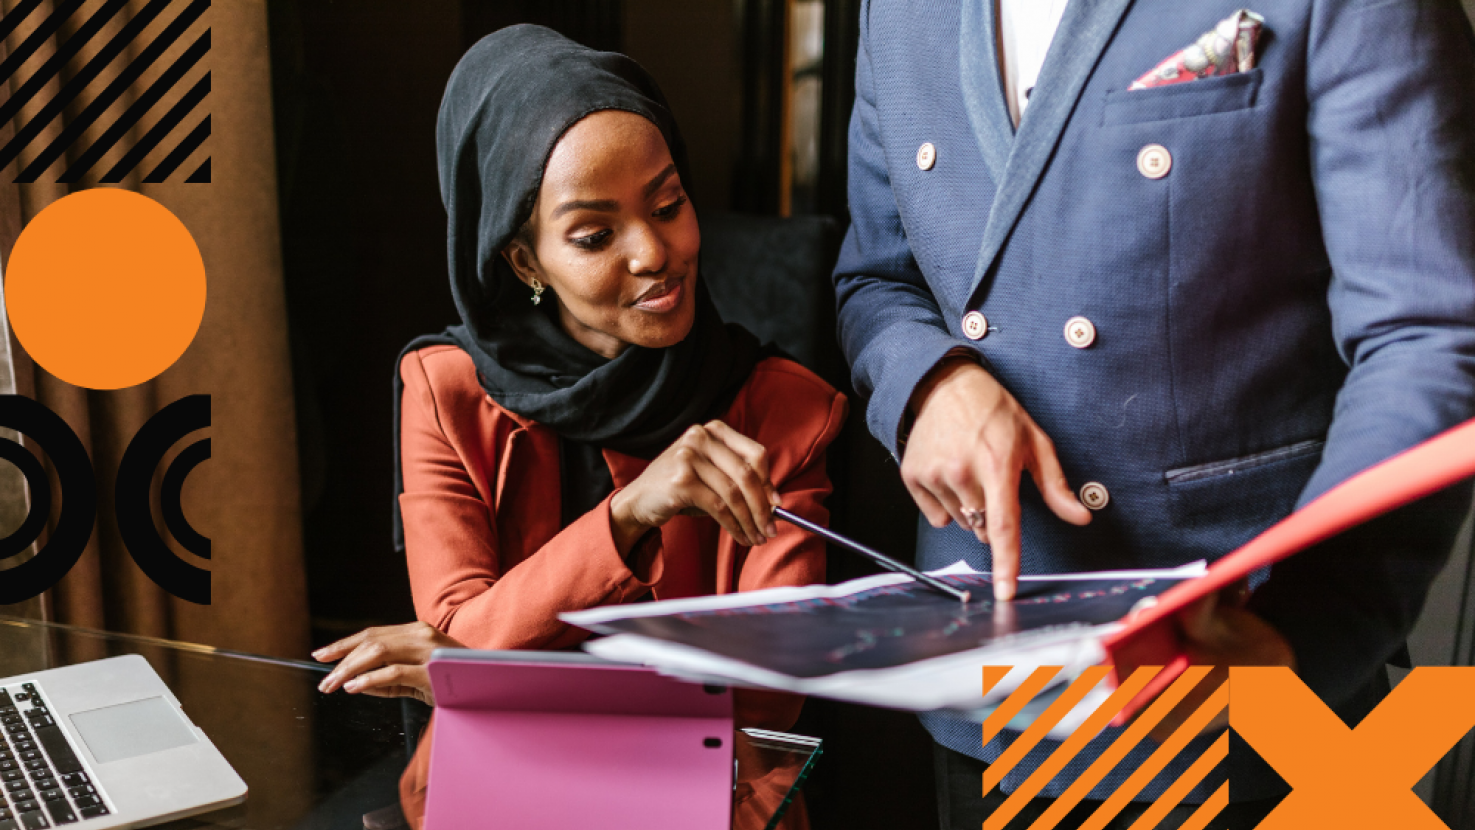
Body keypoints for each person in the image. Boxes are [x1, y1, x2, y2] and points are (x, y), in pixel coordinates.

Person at [832, 0, 1475, 827]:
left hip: (1261, 673)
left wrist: (1303, 621)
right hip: (988, 677)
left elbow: (1427, 331)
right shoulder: (894, 10)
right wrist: (928, 380)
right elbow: (877, 280)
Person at [311, 25, 846, 828]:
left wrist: (471, 666)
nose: (655, 253)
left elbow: (764, 700)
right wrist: (633, 512)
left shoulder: (784, 409)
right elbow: (462, 624)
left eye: (668, 204)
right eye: (595, 235)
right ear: (524, 260)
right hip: (493, 794)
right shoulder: (444, 388)